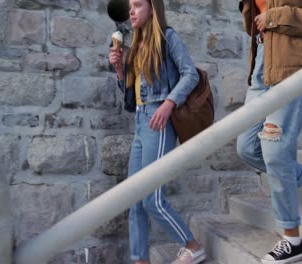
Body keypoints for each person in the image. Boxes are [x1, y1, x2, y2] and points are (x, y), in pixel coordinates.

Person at [236, 0, 302, 263]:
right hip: (262, 65)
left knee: (274, 150)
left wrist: (274, 17)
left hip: (295, 65)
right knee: (247, 147)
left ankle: (292, 238)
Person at [109, 0, 206, 263]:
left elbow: (190, 74)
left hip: (159, 121)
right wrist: (120, 70)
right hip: (141, 122)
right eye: (130, 6)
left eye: (138, 5)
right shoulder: (137, 44)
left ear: (153, 8)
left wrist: (168, 103)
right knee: (134, 199)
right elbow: (131, 96)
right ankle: (139, 259)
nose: (131, 11)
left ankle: (192, 245)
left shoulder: (167, 37)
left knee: (152, 198)